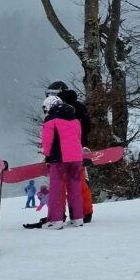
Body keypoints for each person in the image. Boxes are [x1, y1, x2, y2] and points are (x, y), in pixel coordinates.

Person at [48, 82, 95, 223]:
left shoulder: (57, 110)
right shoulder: (76, 107)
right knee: (77, 182)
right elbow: (85, 127)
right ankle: (82, 213)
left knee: (59, 185)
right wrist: (80, 144)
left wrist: (49, 153)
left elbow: (50, 134)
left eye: (52, 94)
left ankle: (58, 215)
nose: (50, 97)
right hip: (75, 151)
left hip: (60, 154)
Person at [41, 95, 84, 229]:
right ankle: (77, 218)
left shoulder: (50, 119)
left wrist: (47, 156)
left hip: (58, 158)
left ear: (49, 106)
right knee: (75, 188)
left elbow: (47, 141)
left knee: (56, 189)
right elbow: (78, 138)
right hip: (76, 158)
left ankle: (56, 220)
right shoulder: (75, 119)